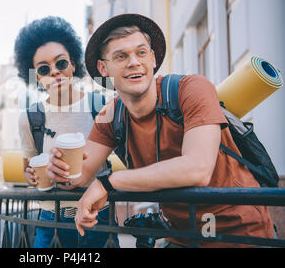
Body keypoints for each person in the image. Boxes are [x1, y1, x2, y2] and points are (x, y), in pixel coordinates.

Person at [47, 13, 275, 248]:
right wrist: (61, 171)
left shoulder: (192, 89)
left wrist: (109, 182)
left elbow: (197, 169)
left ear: (153, 59)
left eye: (141, 52)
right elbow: (80, 174)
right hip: (180, 235)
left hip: (240, 233)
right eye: (121, 56)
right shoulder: (111, 114)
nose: (134, 62)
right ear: (103, 68)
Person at [15, 16, 119, 248]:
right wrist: (32, 176)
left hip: (97, 215)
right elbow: (28, 170)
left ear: (73, 64)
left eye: (61, 63)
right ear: (37, 77)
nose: (54, 72)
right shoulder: (30, 118)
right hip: (51, 219)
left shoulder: (101, 105)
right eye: (44, 68)